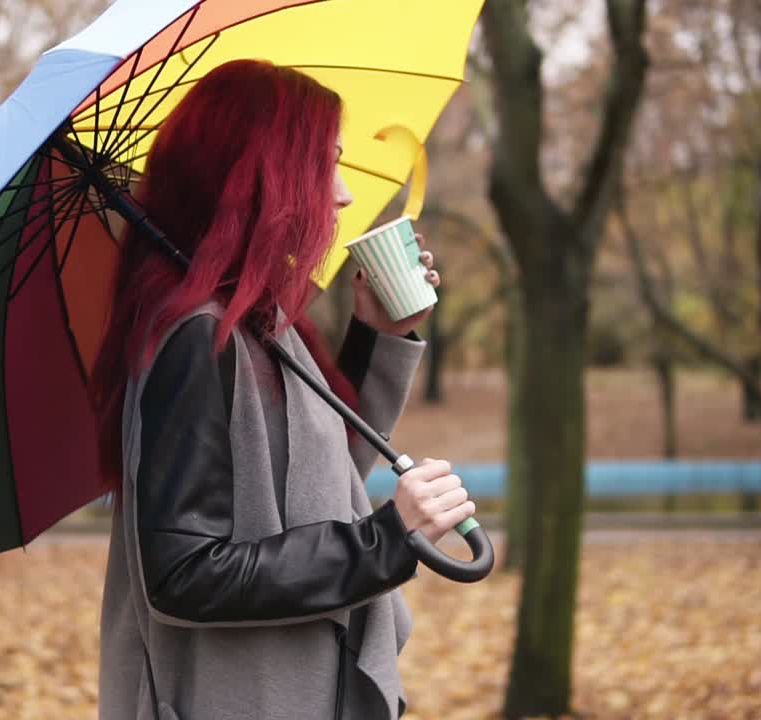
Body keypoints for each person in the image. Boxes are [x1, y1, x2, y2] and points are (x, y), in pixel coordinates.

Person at [92, 59, 475, 720]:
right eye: (326, 163)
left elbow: (316, 488)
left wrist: (377, 335)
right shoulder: (195, 340)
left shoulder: (259, 325)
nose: (345, 194)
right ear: (267, 175)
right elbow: (183, 574)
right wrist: (385, 541)